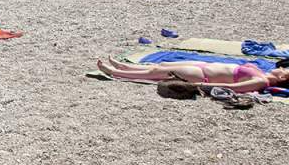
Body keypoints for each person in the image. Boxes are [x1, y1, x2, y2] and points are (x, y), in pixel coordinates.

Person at [96, 56, 289, 94]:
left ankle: (115, 72)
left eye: (284, 70)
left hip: (203, 75)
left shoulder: (261, 81)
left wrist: (202, 87)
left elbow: (235, 88)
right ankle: (124, 66)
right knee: (162, 65)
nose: (280, 68)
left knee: (156, 73)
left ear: (283, 79)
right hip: (204, 66)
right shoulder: (262, 72)